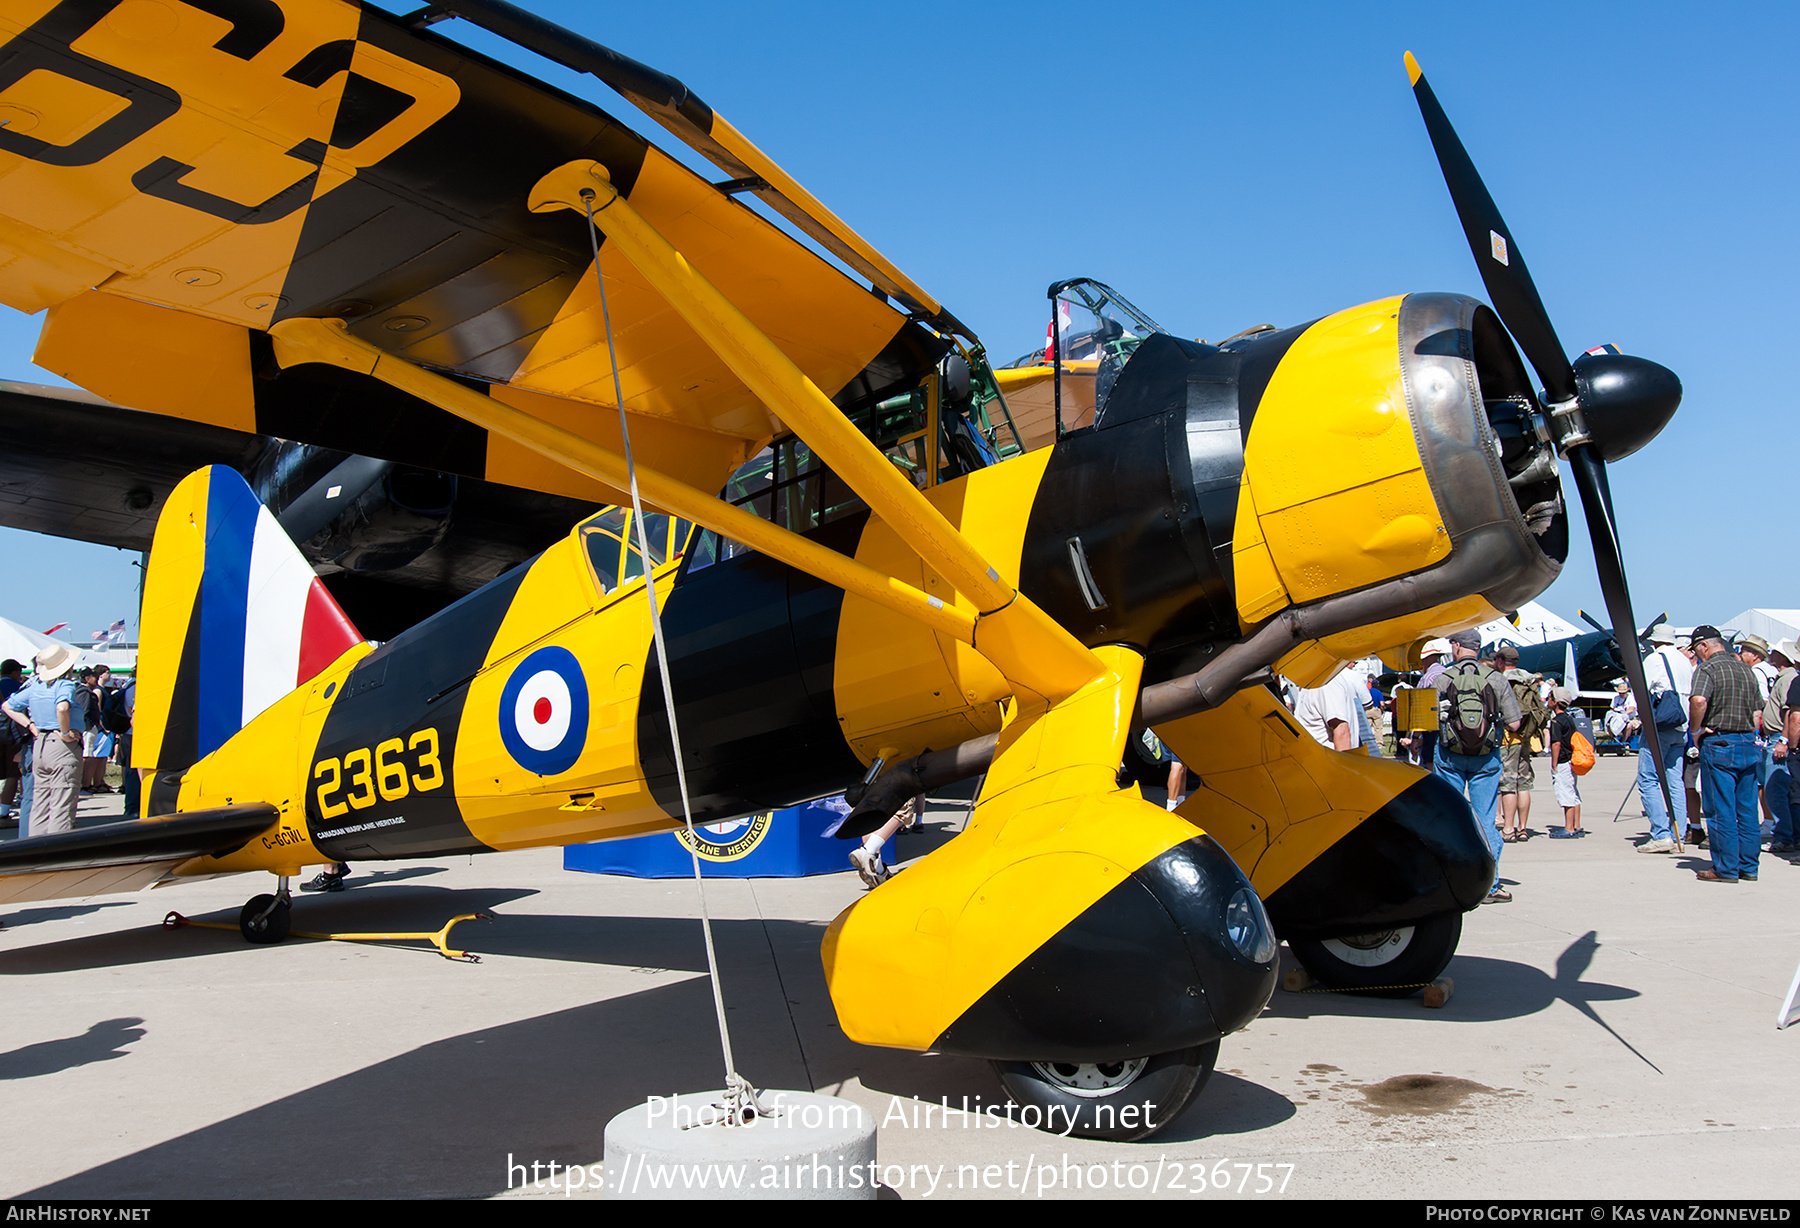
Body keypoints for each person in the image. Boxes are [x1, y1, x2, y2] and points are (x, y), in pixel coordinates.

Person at [1432, 629, 1523, 903]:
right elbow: (1516, 723)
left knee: (1450, 816)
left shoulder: (1443, 678)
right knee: (1485, 820)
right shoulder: (1496, 679)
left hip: (1450, 755)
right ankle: (1490, 884)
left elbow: (1427, 718)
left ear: (1457, 647)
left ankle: (1449, 882)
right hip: (1486, 757)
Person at [1688, 624, 1763, 883]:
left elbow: (1698, 701)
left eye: (1697, 650)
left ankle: (1726, 868)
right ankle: (1749, 866)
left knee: (1721, 809)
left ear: (1704, 647)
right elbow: (1757, 713)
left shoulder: (1707, 669)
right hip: (1747, 741)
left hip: (1720, 742)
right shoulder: (1745, 670)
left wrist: (1696, 729)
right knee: (1747, 810)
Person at [2, 643, 86, 837]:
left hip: (40, 742)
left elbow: (8, 706)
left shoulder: (35, 686)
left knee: (40, 802)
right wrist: (65, 733)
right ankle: (58, 854)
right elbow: (63, 707)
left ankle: (36, 850)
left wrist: (31, 726)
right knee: (61, 804)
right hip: (61, 745)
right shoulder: (64, 684)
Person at [1495, 644, 1546, 842]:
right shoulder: (1529, 679)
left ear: (1500, 661)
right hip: (1527, 737)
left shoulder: (1503, 680)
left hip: (1509, 739)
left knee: (1508, 784)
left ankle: (1508, 828)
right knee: (1524, 784)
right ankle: (1523, 827)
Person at [1764, 639, 1799, 854]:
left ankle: (1786, 835)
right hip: (1781, 736)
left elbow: (1792, 715)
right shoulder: (1787, 678)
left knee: (1778, 790)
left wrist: (1785, 741)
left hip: (1782, 738)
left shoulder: (1790, 679)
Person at [1293, 668, 1368, 752]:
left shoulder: (1326, 683)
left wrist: (1342, 764)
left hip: (1325, 762)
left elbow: (1342, 732)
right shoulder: (1309, 684)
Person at [1546, 687, 1586, 838]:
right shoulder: (1569, 718)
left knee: (1565, 793)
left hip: (1563, 761)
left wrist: (1554, 763)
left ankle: (1569, 828)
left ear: (1555, 702)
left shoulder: (1556, 721)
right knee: (1573, 791)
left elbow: (1556, 743)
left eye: (1550, 698)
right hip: (1571, 760)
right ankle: (1576, 825)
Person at [0, 659, 23, 827]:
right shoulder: (19, 688)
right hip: (11, 735)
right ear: (14, 672)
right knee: (12, 774)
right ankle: (3, 812)